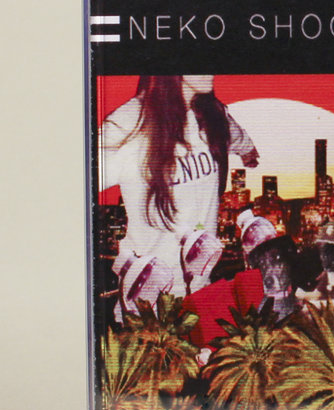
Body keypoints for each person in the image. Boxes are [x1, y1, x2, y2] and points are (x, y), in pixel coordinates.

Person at [100, 75, 258, 303]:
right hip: (150, 301)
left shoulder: (214, 115)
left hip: (201, 291)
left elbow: (241, 142)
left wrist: (248, 154)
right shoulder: (128, 122)